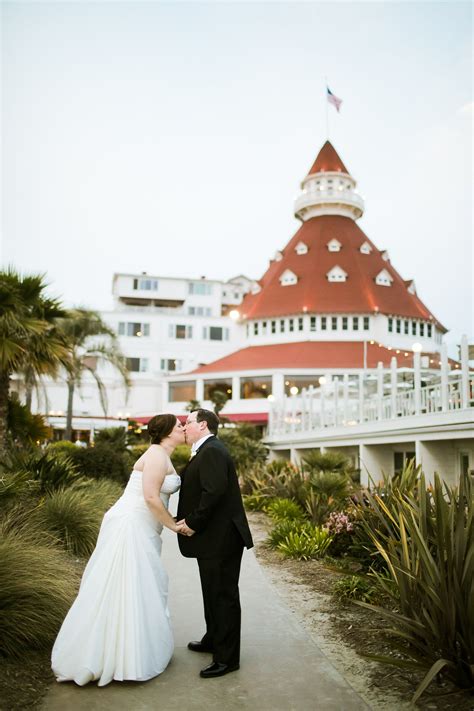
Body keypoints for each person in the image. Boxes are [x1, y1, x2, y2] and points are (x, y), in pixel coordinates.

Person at [51, 414, 184, 687]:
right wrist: (173, 526)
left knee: (138, 583)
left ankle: (128, 650)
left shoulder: (161, 454)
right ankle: (119, 657)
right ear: (168, 432)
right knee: (128, 584)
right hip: (131, 524)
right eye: (179, 425)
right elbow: (149, 496)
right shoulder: (157, 455)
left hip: (142, 526)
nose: (183, 427)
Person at [177, 409, 253, 679]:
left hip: (221, 538)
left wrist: (192, 522)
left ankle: (227, 659)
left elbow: (214, 492)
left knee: (223, 597)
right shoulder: (206, 449)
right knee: (212, 591)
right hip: (213, 538)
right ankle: (213, 639)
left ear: (203, 425)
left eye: (187, 423)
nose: (184, 428)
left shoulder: (211, 451)